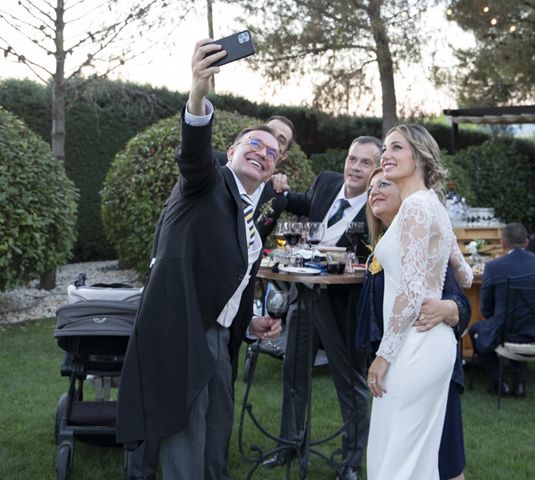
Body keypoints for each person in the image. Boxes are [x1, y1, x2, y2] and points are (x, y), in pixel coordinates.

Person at [116, 39, 283, 480]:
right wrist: (197, 94)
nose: (262, 153)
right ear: (230, 152)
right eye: (254, 143)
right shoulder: (206, 180)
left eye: (272, 153)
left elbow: (230, 278)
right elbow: (192, 152)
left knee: (216, 435)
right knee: (185, 439)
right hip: (183, 331)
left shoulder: (249, 217)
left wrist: (249, 324)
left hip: (220, 337)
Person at [262, 136, 381, 480]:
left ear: (375, 171)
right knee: (294, 375)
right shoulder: (327, 182)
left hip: (342, 304)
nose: (355, 167)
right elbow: (297, 203)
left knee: (351, 384)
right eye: (352, 159)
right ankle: (289, 445)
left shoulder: (378, 204)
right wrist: (277, 189)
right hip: (304, 297)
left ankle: (349, 462)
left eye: (365, 163)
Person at [366, 124, 469, 480]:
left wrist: (383, 355)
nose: (386, 155)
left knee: (396, 461)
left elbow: (410, 293)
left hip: (413, 344)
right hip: (430, 342)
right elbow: (463, 269)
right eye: (384, 148)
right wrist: (449, 281)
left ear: (420, 155)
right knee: (414, 459)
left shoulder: (414, 208)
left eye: (396, 147)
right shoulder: (432, 205)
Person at [469, 223, 535, 398]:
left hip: (508, 333)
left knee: (476, 329)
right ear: (526, 242)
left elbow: (486, 309)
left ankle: (498, 382)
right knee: (515, 324)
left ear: (502, 243)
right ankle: (520, 383)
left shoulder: (494, 267)